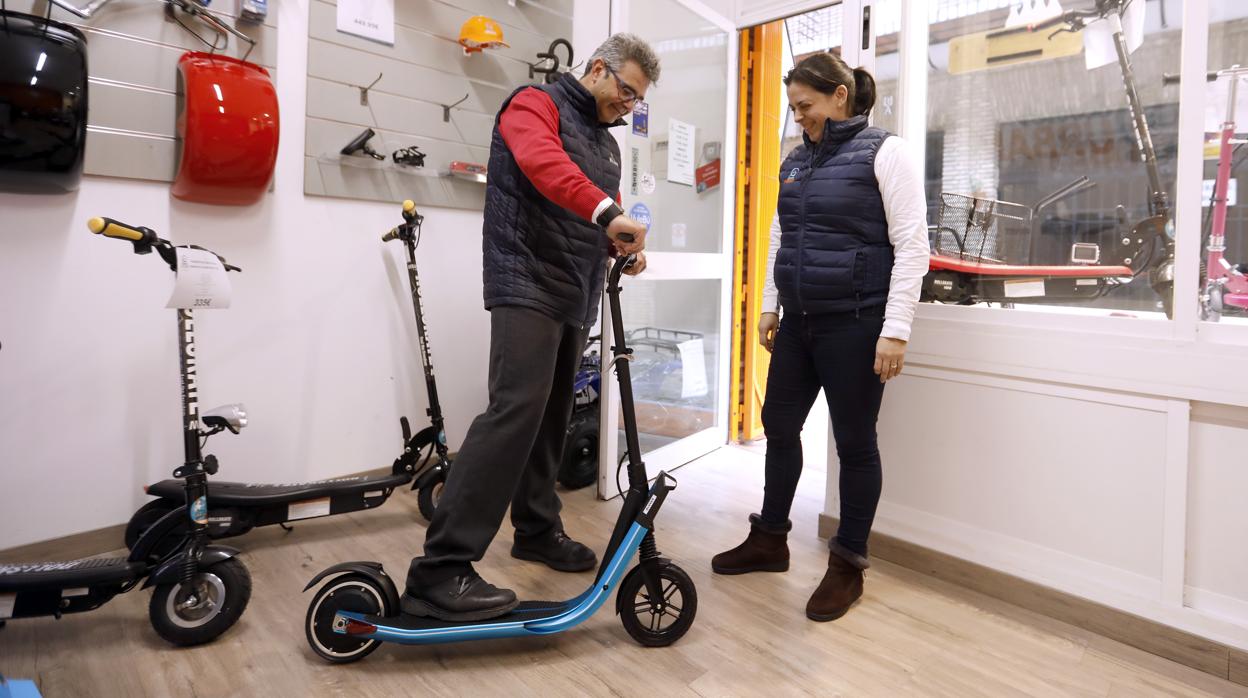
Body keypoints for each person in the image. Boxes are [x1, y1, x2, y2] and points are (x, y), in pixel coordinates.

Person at [402, 34, 662, 622]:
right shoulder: (532, 103)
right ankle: (439, 570)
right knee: (514, 410)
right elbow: (546, 169)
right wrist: (608, 215)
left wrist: (619, 248)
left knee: (552, 416)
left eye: (636, 102)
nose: (628, 107)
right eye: (625, 92)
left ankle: (537, 529)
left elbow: (601, 216)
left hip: (575, 290)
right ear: (597, 68)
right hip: (525, 280)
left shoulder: (609, 147)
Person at [711, 52, 929, 622]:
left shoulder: (888, 152)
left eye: (805, 107)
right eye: (792, 109)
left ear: (839, 96)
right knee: (778, 428)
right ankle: (770, 540)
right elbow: (782, 236)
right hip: (799, 323)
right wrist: (767, 307)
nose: (799, 118)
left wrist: (896, 331)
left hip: (857, 323)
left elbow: (912, 247)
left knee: (855, 443)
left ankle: (846, 566)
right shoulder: (796, 160)